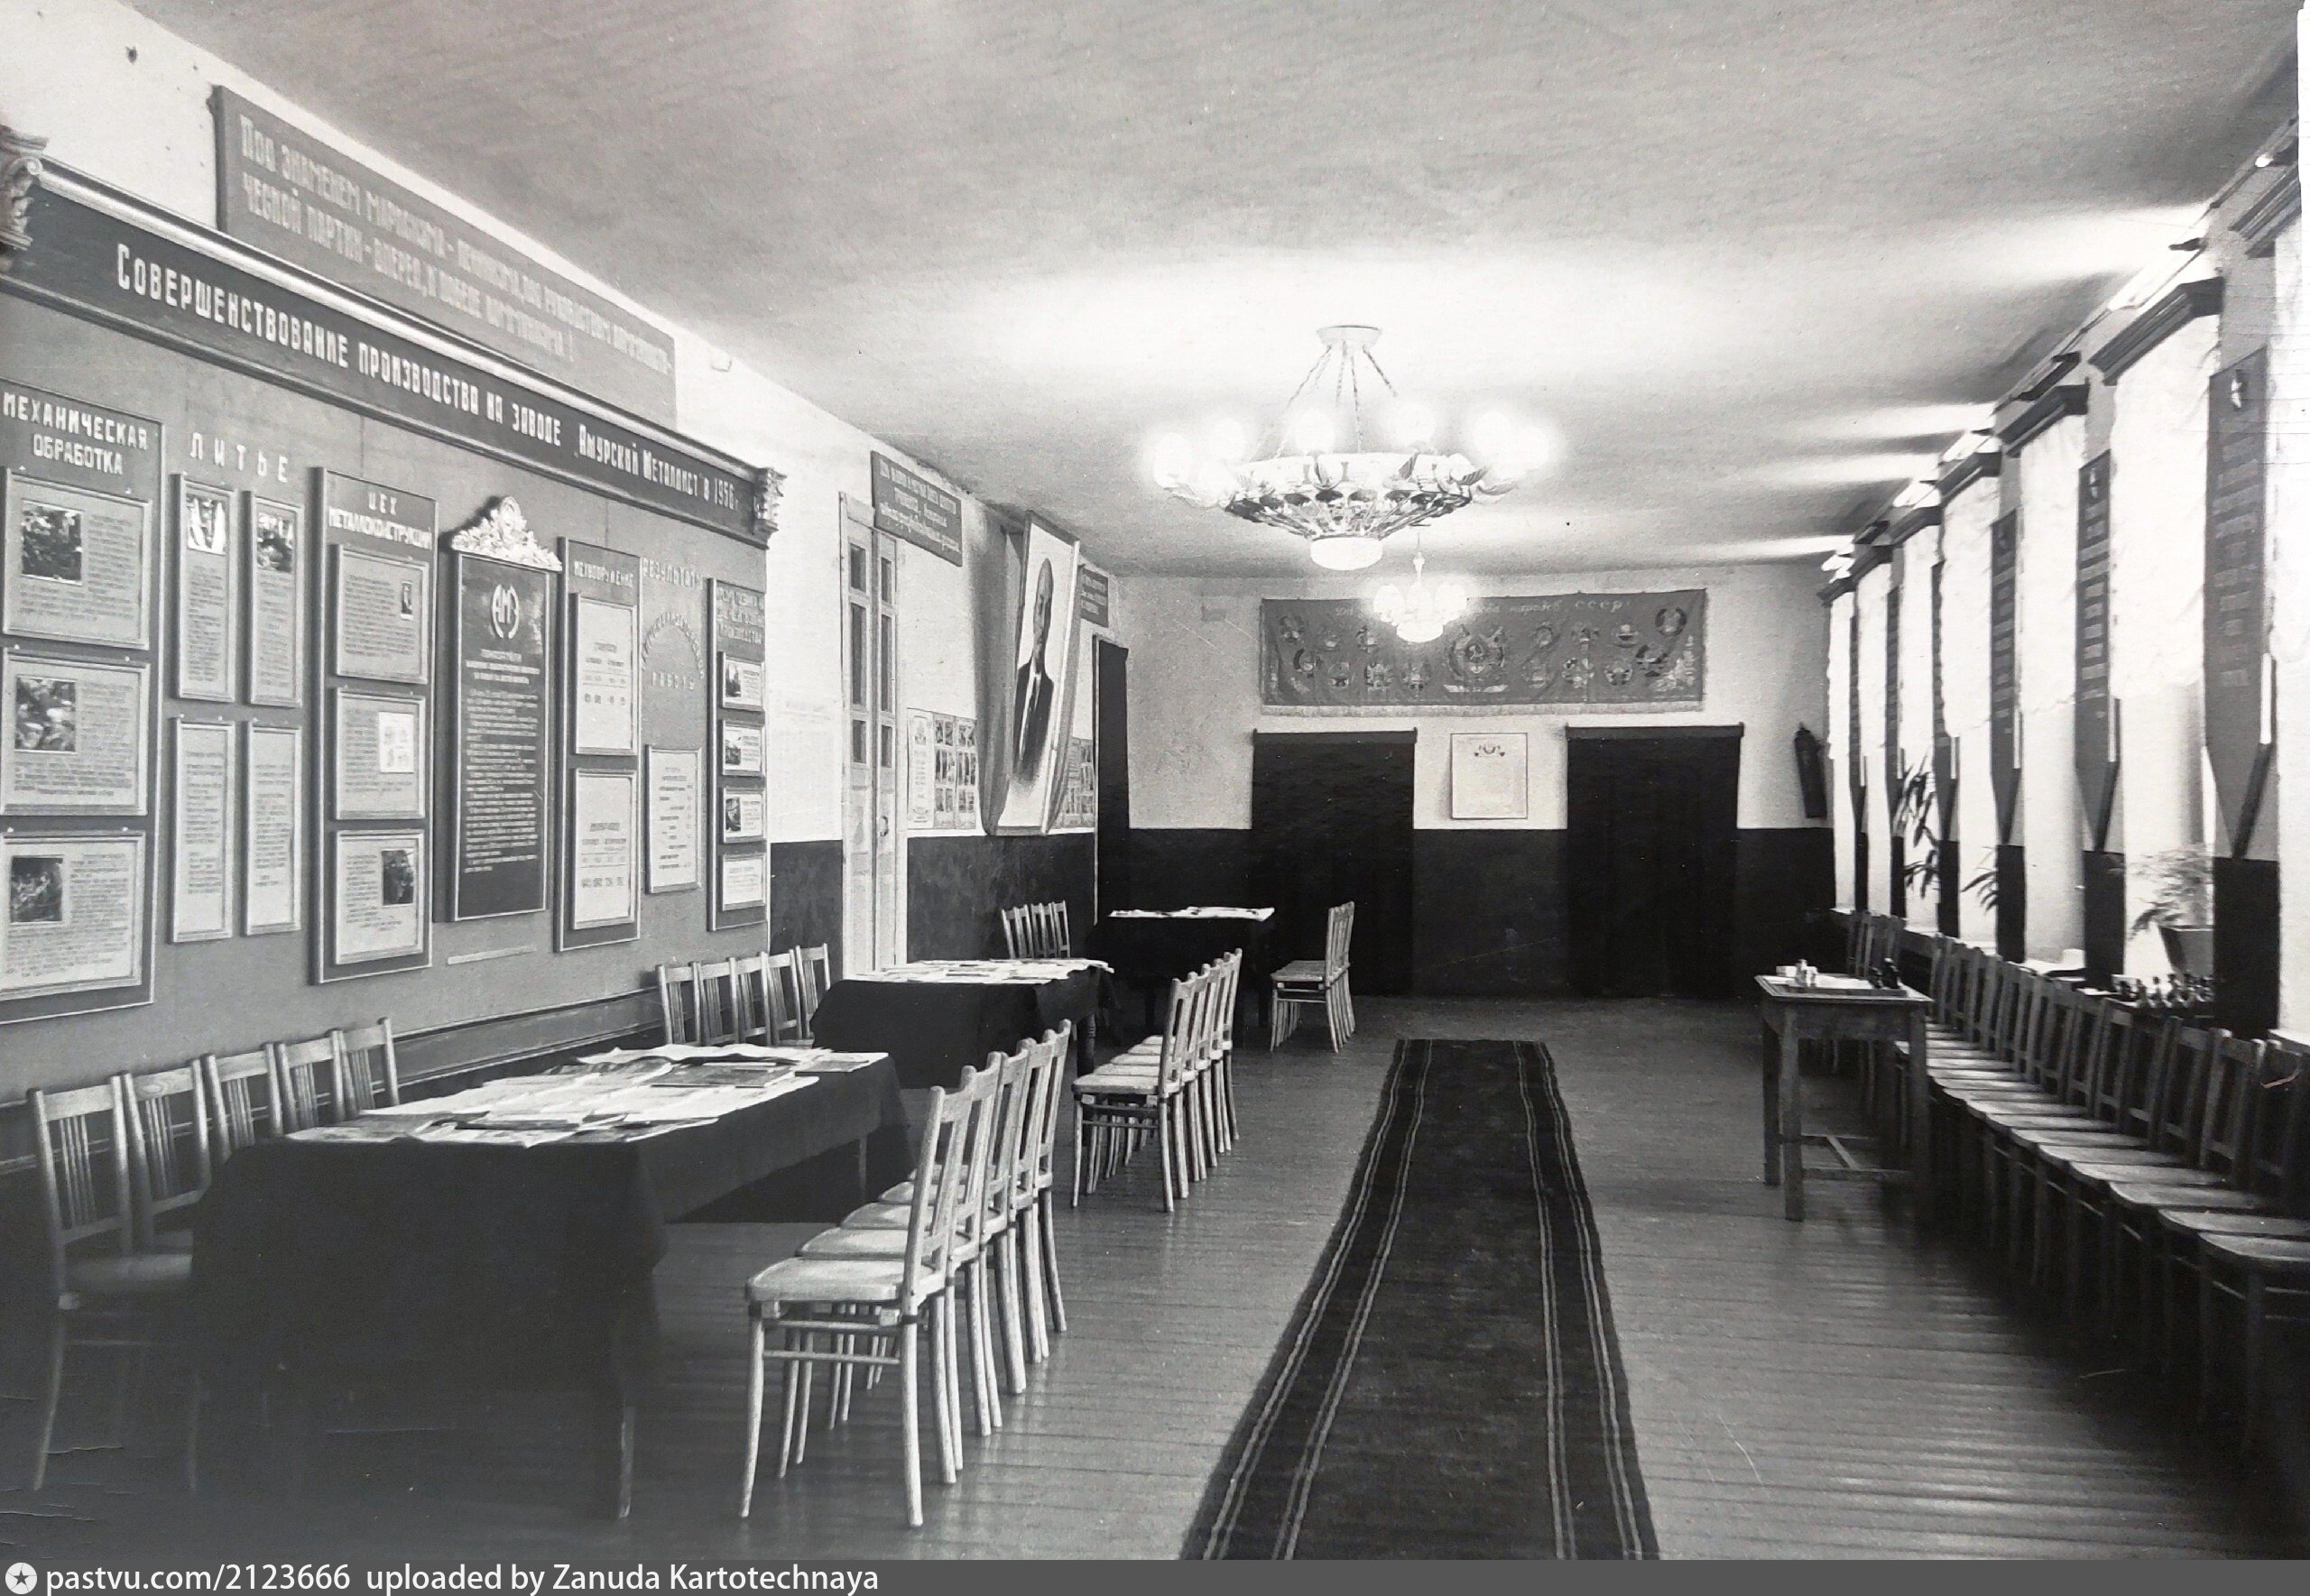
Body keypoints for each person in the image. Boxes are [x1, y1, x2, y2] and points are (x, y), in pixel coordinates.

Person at [1012, 558, 1058, 786]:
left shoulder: (1050, 690)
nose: (1042, 621)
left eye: (1047, 610)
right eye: (1039, 607)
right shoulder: (1015, 680)